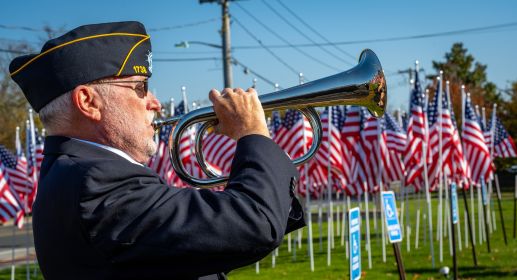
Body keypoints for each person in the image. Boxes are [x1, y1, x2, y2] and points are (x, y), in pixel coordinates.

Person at [9, 21, 305, 279]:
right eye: (139, 87)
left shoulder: (76, 175)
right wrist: (252, 133)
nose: (154, 102)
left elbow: (193, 252)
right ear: (88, 102)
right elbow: (254, 223)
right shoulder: (96, 183)